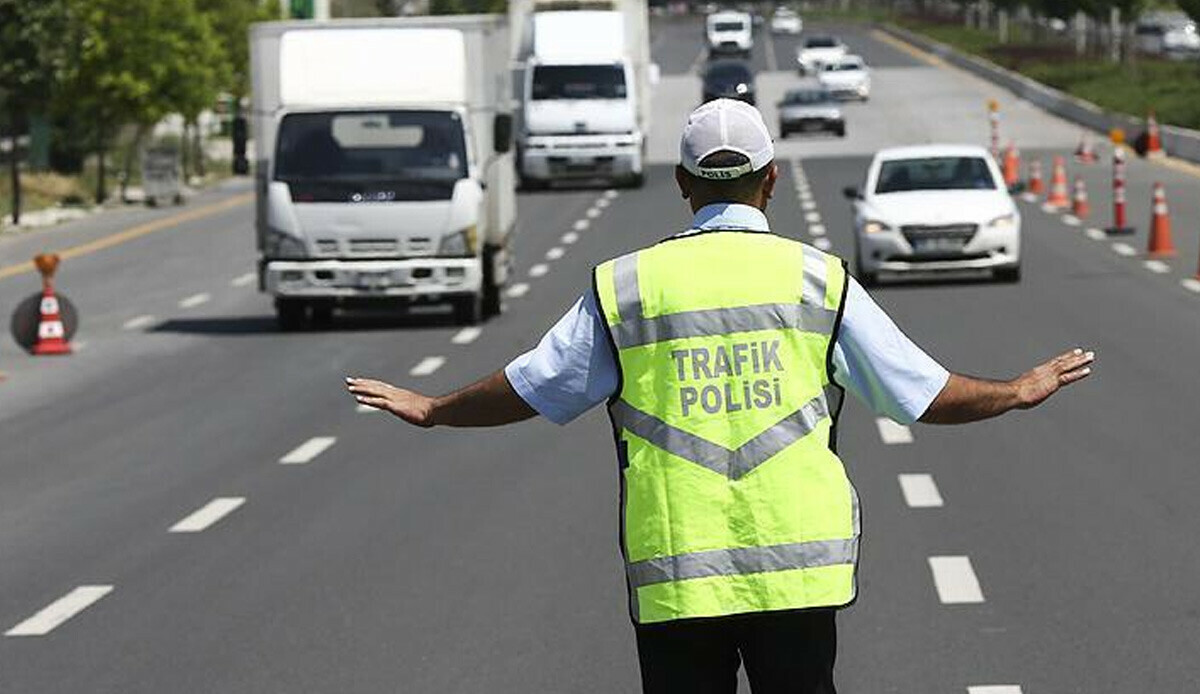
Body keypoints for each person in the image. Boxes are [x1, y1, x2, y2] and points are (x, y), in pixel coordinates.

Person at [346, 99, 1095, 694]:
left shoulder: (628, 286)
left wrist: (435, 408)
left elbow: (534, 386)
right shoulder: (816, 279)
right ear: (770, 181)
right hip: (799, 572)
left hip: (678, 572)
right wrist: (1017, 391)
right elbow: (921, 394)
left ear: (681, 185)